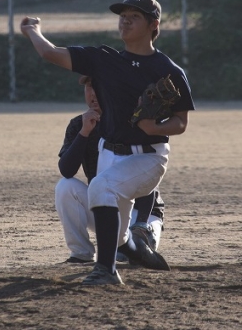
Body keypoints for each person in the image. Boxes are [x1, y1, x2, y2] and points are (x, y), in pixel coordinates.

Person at [20, 0, 195, 285]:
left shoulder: (169, 70)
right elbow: (50, 53)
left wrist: (154, 127)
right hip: (108, 154)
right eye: (122, 16)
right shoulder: (103, 60)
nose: (125, 21)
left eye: (134, 16)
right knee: (118, 234)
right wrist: (32, 31)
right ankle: (140, 252)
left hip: (148, 156)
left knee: (101, 186)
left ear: (154, 25)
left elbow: (181, 123)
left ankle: (106, 271)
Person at [56, 75, 166, 264]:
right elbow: (67, 170)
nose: (93, 94)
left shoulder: (132, 121)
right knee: (65, 187)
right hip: (105, 208)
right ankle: (81, 253)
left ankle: (138, 239)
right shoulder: (79, 124)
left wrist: (140, 224)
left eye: (99, 87)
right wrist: (84, 132)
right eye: (89, 88)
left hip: (141, 214)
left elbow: (148, 180)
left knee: (128, 256)